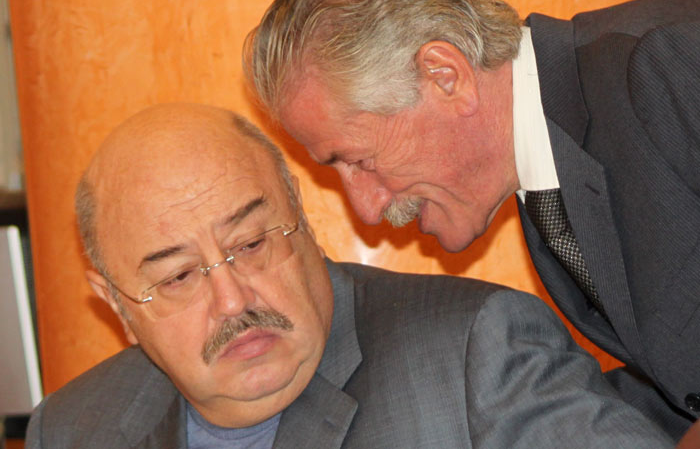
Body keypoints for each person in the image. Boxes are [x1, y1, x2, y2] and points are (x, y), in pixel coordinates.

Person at [244, 0, 700, 441]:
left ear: (445, 77)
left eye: (358, 161)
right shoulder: (545, 200)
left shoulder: (666, 58)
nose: (367, 208)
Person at [26, 103, 673, 448]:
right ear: (117, 305)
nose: (232, 300)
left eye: (252, 243)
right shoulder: (72, 427)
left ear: (301, 217)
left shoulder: (474, 354)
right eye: (177, 278)